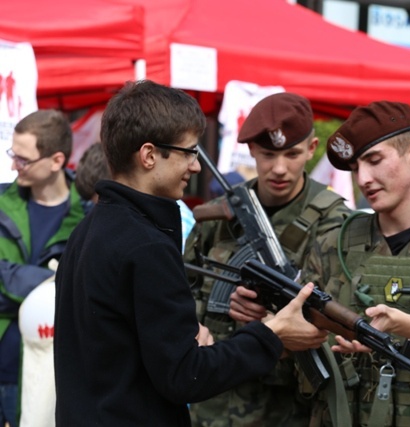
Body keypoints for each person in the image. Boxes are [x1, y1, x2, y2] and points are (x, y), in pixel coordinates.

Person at [53, 80, 328, 427]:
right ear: (150, 155)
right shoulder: (146, 244)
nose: (196, 166)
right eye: (189, 152)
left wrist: (181, 333)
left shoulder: (90, 229)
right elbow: (185, 375)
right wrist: (271, 334)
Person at [233, 101, 410, 426]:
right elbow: (294, 348)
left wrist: (400, 323)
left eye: (375, 160)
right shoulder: (331, 243)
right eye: (355, 168)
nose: (363, 178)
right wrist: (265, 321)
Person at [184, 92, 351, 427]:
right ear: (251, 151)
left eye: (291, 154)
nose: (279, 168)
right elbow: (180, 291)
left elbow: (347, 327)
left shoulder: (336, 224)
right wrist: (202, 321)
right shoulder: (222, 215)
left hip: (287, 410)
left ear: (311, 148)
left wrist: (276, 322)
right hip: (211, 407)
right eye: (268, 154)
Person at [0, 109, 87, 427]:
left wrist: (13, 281)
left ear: (56, 161)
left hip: (56, 373)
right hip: (4, 363)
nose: (13, 166)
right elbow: (70, 287)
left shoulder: (89, 214)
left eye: (23, 159)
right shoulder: (2, 203)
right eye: (13, 154)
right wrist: (52, 282)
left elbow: (87, 290)